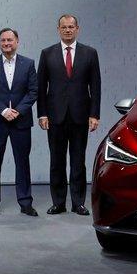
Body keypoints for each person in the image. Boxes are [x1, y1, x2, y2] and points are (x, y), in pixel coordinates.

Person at [37, 14, 101, 216]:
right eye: (64, 27)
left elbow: (96, 86)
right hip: (55, 116)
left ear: (77, 29)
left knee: (78, 160)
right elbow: (40, 87)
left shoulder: (90, 53)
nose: (67, 30)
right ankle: (58, 202)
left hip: (80, 116)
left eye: (71, 27)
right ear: (58, 29)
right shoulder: (47, 54)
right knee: (56, 161)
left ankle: (78, 202)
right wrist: (42, 114)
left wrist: (94, 114)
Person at [0, 28, 38, 217]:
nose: (6, 43)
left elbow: (33, 92)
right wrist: (4, 110)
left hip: (21, 122)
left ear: (17, 42)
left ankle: (25, 202)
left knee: (22, 163)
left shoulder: (28, 64)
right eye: (3, 40)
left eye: (10, 40)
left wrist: (18, 111)